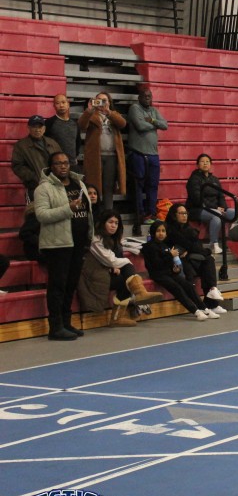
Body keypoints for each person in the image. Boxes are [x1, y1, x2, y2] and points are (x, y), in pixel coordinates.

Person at [34, 152, 95, 339]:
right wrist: (68, 209)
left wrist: (89, 235)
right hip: (58, 244)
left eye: (66, 163)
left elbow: (87, 212)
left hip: (79, 242)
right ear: (50, 167)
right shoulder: (43, 188)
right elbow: (42, 215)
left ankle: (66, 323)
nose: (63, 166)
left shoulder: (79, 184)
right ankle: (55, 327)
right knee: (57, 285)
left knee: (70, 285)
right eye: (58, 163)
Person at [85, 209, 163, 327]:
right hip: (92, 277)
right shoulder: (96, 239)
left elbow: (112, 261)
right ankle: (140, 293)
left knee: (126, 281)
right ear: (102, 223)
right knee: (127, 270)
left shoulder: (113, 239)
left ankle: (118, 317)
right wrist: (116, 266)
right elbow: (110, 260)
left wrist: (113, 267)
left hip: (106, 273)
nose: (113, 226)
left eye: (116, 223)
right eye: (110, 222)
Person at [143, 220, 218, 321]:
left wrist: (176, 269)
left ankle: (204, 309)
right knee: (176, 288)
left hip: (169, 272)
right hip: (158, 274)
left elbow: (169, 263)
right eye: (158, 231)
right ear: (153, 232)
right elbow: (157, 264)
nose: (161, 233)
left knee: (188, 286)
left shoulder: (165, 245)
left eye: (163, 231)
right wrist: (170, 255)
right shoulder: (149, 247)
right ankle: (195, 311)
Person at [165, 203, 226, 314]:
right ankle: (199, 305)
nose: (184, 216)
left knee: (208, 260)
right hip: (176, 262)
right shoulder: (169, 229)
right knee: (201, 260)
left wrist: (191, 250)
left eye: (186, 213)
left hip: (189, 258)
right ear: (174, 215)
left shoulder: (189, 228)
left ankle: (212, 298)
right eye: (181, 213)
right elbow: (189, 244)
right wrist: (202, 250)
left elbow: (196, 246)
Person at [127, 87, 168, 233]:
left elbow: (165, 125)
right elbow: (140, 126)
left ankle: (152, 213)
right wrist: (155, 125)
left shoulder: (154, 111)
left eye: (149, 96)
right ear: (139, 97)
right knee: (138, 185)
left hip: (153, 155)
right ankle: (140, 215)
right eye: (144, 96)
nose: (147, 98)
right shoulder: (135, 108)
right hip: (138, 153)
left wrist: (152, 120)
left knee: (153, 185)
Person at [78, 92, 127, 211]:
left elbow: (123, 124)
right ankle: (94, 214)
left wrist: (108, 112)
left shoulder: (114, 114)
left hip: (111, 156)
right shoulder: (91, 114)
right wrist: (89, 111)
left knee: (108, 188)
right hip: (95, 157)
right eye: (98, 100)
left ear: (109, 102)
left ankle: (108, 214)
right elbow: (81, 125)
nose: (101, 103)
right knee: (93, 187)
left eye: (104, 100)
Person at [186, 154, 235, 254]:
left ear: (210, 164)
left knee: (235, 213)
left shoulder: (215, 179)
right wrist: (216, 208)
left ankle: (231, 241)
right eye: (202, 161)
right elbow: (197, 198)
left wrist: (223, 208)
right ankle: (213, 244)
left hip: (216, 208)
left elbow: (221, 196)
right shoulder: (194, 179)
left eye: (207, 161)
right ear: (197, 165)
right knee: (216, 216)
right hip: (197, 209)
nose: (205, 163)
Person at [12, 115, 63, 201]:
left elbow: (62, 161)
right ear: (29, 128)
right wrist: (34, 178)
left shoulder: (53, 143)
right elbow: (17, 166)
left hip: (55, 186)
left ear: (44, 128)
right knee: (36, 209)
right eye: (34, 127)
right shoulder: (21, 146)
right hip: (35, 188)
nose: (37, 130)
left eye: (40, 127)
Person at [45, 94, 81, 172]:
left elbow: (77, 143)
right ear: (54, 106)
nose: (61, 105)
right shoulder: (49, 123)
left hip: (72, 165)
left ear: (68, 104)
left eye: (63, 102)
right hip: (55, 167)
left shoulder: (75, 124)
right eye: (58, 103)